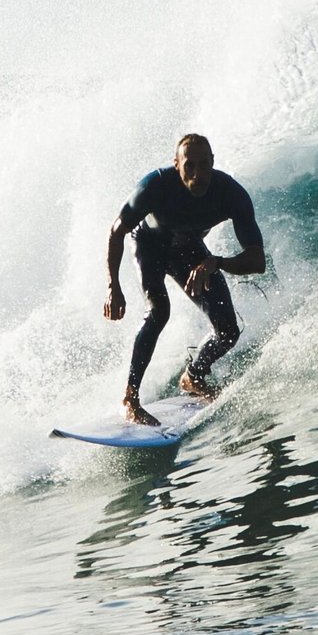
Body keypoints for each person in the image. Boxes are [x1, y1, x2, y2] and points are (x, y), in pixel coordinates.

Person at [104, 134, 266, 425]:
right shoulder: (154, 186)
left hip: (189, 250)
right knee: (159, 311)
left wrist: (216, 263)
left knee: (228, 330)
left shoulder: (229, 193)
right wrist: (113, 286)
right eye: (189, 166)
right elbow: (117, 231)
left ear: (213, 163)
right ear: (176, 165)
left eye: (204, 165)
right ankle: (130, 397)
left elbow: (257, 260)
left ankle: (193, 377)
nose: (198, 174)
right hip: (149, 245)